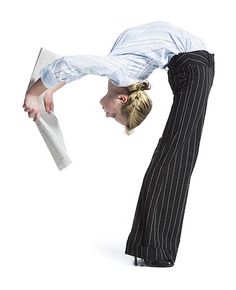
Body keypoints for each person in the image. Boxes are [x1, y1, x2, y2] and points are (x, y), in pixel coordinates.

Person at [23, 21, 215, 267]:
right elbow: (73, 67)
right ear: (123, 98)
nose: (107, 115)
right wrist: (43, 91)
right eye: (114, 115)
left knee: (175, 154)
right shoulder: (122, 72)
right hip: (193, 67)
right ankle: (152, 247)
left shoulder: (122, 72)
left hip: (194, 66)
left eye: (113, 116)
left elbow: (74, 66)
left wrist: (40, 91)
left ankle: (153, 248)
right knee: (175, 153)